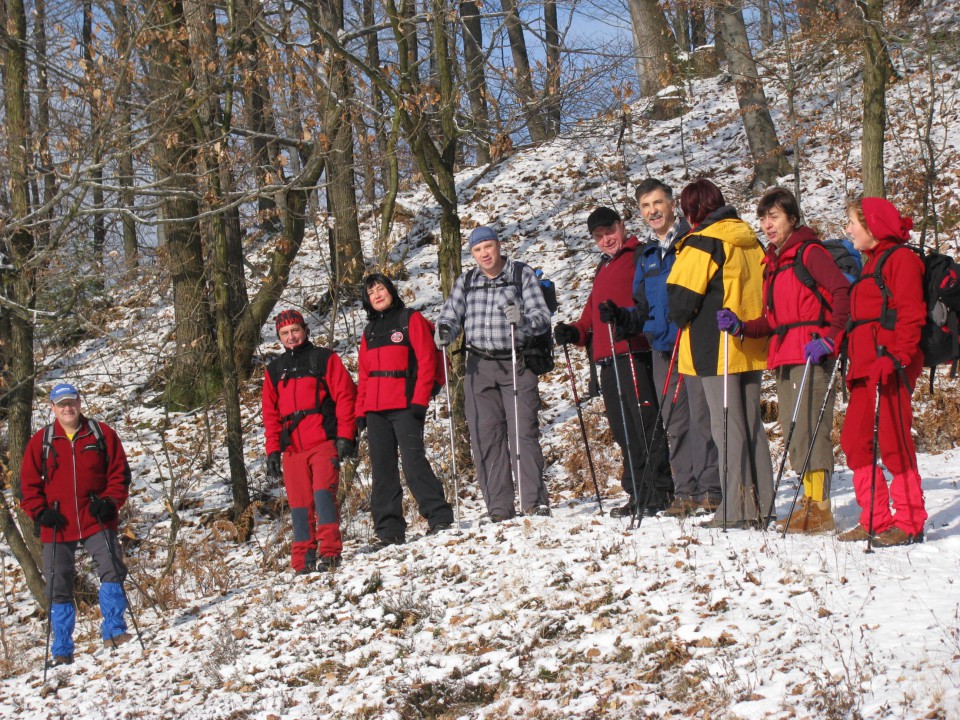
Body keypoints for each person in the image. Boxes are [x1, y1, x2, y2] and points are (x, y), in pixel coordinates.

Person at [719, 187, 850, 533]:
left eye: (774, 216)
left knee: (810, 427)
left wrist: (831, 337)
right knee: (796, 432)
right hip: (785, 354)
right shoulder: (773, 264)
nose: (767, 224)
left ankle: (820, 507)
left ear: (793, 218)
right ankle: (809, 502)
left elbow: (841, 292)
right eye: (763, 218)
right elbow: (774, 320)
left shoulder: (810, 253)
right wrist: (742, 327)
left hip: (812, 352)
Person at [604, 180, 721, 517]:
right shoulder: (647, 255)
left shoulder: (691, 241)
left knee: (702, 418)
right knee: (674, 420)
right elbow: (642, 308)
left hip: (694, 341)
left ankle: (711, 488)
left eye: (657, 203)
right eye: (645, 206)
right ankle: (685, 491)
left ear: (673, 205)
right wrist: (622, 317)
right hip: (662, 348)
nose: (652, 211)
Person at [665, 178, 774, 529]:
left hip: (715, 348)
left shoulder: (701, 243)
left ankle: (735, 510)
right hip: (750, 344)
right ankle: (762, 504)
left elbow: (680, 303)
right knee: (751, 425)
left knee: (726, 426)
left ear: (692, 210)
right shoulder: (750, 240)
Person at [554, 206, 674, 519]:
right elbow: (591, 316)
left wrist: (626, 319)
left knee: (646, 424)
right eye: (598, 236)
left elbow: (648, 302)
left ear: (621, 226)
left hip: (634, 352)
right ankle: (637, 491)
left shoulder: (638, 256)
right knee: (623, 430)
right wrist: (574, 332)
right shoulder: (603, 268)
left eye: (609, 232)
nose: (606, 239)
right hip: (607, 360)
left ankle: (659, 491)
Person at [435, 226, 551, 521]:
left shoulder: (520, 274)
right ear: (472, 253)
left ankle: (533, 502)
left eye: (488, 246)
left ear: (498, 246)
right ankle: (499, 509)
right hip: (479, 366)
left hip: (516, 362)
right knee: (486, 436)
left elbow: (542, 317)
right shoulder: (467, 281)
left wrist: (523, 320)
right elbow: (451, 313)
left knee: (522, 433)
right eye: (477, 249)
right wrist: (445, 329)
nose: (484, 253)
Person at [20, 383, 133, 665]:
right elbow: (27, 487)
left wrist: (110, 502)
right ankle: (62, 650)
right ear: (52, 408)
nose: (67, 408)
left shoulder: (101, 433)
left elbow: (120, 473)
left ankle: (115, 632)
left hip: (96, 517)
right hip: (57, 523)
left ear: (80, 403)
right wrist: (40, 513)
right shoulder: (41, 441)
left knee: (112, 567)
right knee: (57, 583)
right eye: (61, 404)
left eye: (71, 402)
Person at [838, 197, 927, 546]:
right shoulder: (871, 263)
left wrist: (900, 356)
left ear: (872, 224)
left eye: (853, 223)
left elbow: (911, 313)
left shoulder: (901, 259)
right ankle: (874, 518)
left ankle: (910, 521)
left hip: (891, 364)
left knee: (893, 440)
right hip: (864, 367)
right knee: (855, 441)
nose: (848, 230)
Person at [356, 273, 454, 546]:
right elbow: (364, 375)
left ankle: (439, 517)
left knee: (413, 463)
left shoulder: (410, 319)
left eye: (381, 289)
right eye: (371, 292)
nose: (377, 295)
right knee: (382, 470)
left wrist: (420, 401)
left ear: (391, 291)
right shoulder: (369, 331)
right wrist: (360, 412)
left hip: (405, 404)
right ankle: (389, 532)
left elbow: (425, 362)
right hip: (376, 409)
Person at [262, 309, 357, 572]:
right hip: (292, 449)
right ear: (279, 337)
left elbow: (346, 397)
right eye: (284, 333)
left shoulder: (324, 358)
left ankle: (330, 552)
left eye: (295, 330)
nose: (290, 337)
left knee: (324, 497)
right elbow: (270, 415)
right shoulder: (274, 370)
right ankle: (303, 557)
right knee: (300, 505)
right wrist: (272, 452)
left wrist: (345, 436)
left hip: (323, 441)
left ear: (304, 330)